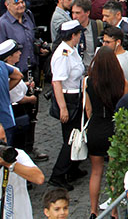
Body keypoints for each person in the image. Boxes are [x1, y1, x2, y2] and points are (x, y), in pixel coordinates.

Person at [84, 46, 128, 217]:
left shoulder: (88, 82)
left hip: (95, 127)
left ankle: (93, 211)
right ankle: (114, 212)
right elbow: (123, 110)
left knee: (96, 172)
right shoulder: (121, 82)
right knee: (113, 173)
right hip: (113, 128)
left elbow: (88, 109)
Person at [48, 20, 87, 190]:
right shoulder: (62, 54)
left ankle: (72, 168)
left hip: (76, 95)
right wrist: (63, 108)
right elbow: (57, 82)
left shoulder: (72, 50)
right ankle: (58, 174)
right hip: (68, 98)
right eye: (79, 34)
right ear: (73, 35)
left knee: (77, 134)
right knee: (70, 139)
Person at [0, 0, 37, 73]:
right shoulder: (1, 25)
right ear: (7, 5)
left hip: (33, 71)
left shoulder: (28, 16)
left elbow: (33, 39)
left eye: (22, 2)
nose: (21, 5)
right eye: (16, 3)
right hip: (16, 74)